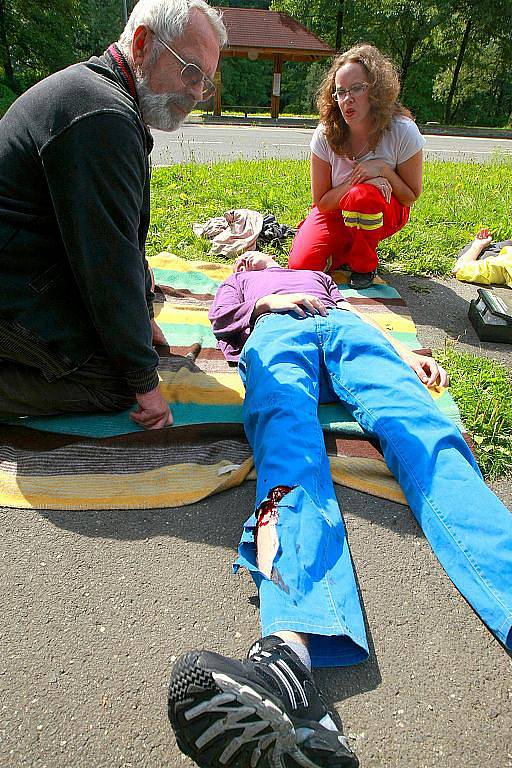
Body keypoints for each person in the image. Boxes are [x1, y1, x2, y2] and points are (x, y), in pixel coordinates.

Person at [167, 252, 512, 768]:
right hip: (276, 333)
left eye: (263, 248)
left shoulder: (319, 276)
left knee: (428, 437)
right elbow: (222, 321)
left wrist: (402, 352)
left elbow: (355, 312)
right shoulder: (237, 284)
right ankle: (287, 664)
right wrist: (266, 300)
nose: (255, 253)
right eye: (246, 257)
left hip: (346, 332)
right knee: (287, 454)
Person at [0, 0, 226, 429]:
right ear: (142, 44)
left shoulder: (104, 99)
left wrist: (140, 319)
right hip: (13, 283)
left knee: (120, 339)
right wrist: (143, 379)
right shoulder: (101, 116)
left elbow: (122, 236)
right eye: (191, 71)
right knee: (112, 382)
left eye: (205, 82)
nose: (197, 93)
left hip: (27, 265)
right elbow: (107, 263)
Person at [288, 44, 424, 290]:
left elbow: (410, 196)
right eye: (340, 92)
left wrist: (382, 169)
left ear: (376, 90)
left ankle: (363, 264)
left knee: (362, 197)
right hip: (335, 210)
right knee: (301, 267)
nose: (347, 99)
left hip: (384, 209)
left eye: (357, 89)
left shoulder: (402, 130)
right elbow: (322, 201)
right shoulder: (326, 133)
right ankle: (349, 244)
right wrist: (360, 178)